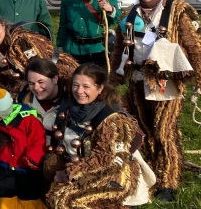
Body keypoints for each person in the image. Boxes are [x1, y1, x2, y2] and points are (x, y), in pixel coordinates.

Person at [110, 0, 201, 202]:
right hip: (137, 81)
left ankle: (169, 181)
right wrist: (113, 78)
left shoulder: (176, 11)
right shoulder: (130, 14)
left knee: (164, 131)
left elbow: (194, 47)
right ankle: (150, 173)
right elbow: (120, 46)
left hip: (166, 83)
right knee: (143, 130)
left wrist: (198, 79)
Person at [46, 64, 156, 208]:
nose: (79, 91)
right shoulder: (72, 105)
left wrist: (68, 175)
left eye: (86, 87)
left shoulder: (112, 120)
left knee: (63, 199)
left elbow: (107, 161)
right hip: (79, 166)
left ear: (100, 88)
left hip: (111, 174)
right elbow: (55, 72)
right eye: (76, 85)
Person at [0, 80, 47, 209]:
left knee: (28, 191)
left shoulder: (28, 119)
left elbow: (38, 140)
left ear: (2, 110)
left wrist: (33, 159)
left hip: (24, 164)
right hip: (5, 162)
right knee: (5, 188)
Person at [0, 13, 78, 92]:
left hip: (60, 75)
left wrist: (28, 80)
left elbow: (39, 65)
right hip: (36, 84)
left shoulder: (21, 40)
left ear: (3, 26)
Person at [57, 0, 121, 69]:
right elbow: (63, 23)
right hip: (73, 49)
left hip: (98, 50)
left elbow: (117, 19)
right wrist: (60, 47)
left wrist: (110, 9)